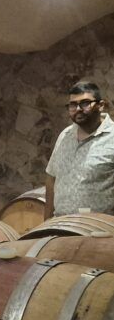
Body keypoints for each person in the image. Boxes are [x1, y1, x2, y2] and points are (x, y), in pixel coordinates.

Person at [45, 81, 114, 218]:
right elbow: (51, 178)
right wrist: (46, 220)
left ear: (100, 105)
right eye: (73, 105)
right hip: (60, 224)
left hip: (99, 227)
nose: (78, 109)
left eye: (85, 103)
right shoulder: (65, 135)